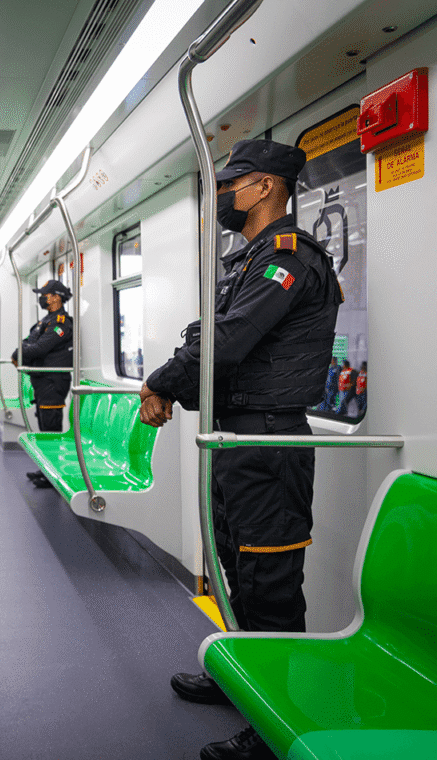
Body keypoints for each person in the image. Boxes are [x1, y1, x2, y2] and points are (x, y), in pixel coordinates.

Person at [138, 141, 342, 760]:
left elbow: (228, 341)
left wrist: (161, 383)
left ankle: (276, 726)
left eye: (233, 184)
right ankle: (245, 680)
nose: (224, 195)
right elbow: (216, 337)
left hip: (269, 441)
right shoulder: (249, 258)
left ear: (265, 188)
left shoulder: (287, 258)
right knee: (234, 566)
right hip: (238, 438)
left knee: (270, 583)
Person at [12, 279, 74, 490]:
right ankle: (46, 468)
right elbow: (28, 341)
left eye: (45, 294)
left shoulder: (61, 323)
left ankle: (53, 473)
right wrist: (21, 350)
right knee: (43, 426)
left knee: (51, 428)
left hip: (53, 381)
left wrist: (18, 354)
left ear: (56, 297)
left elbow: (39, 348)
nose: (42, 298)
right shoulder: (44, 322)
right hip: (41, 380)